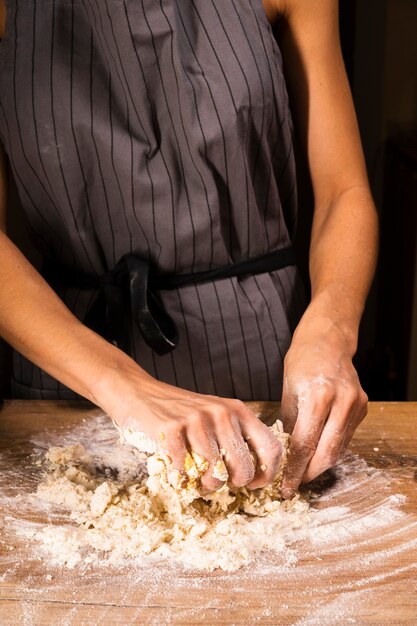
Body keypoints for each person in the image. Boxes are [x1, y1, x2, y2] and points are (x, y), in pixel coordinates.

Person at [0, 0, 377, 498]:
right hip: (71, 363)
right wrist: (119, 381)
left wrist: (331, 329)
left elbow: (342, 192)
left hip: (260, 363)